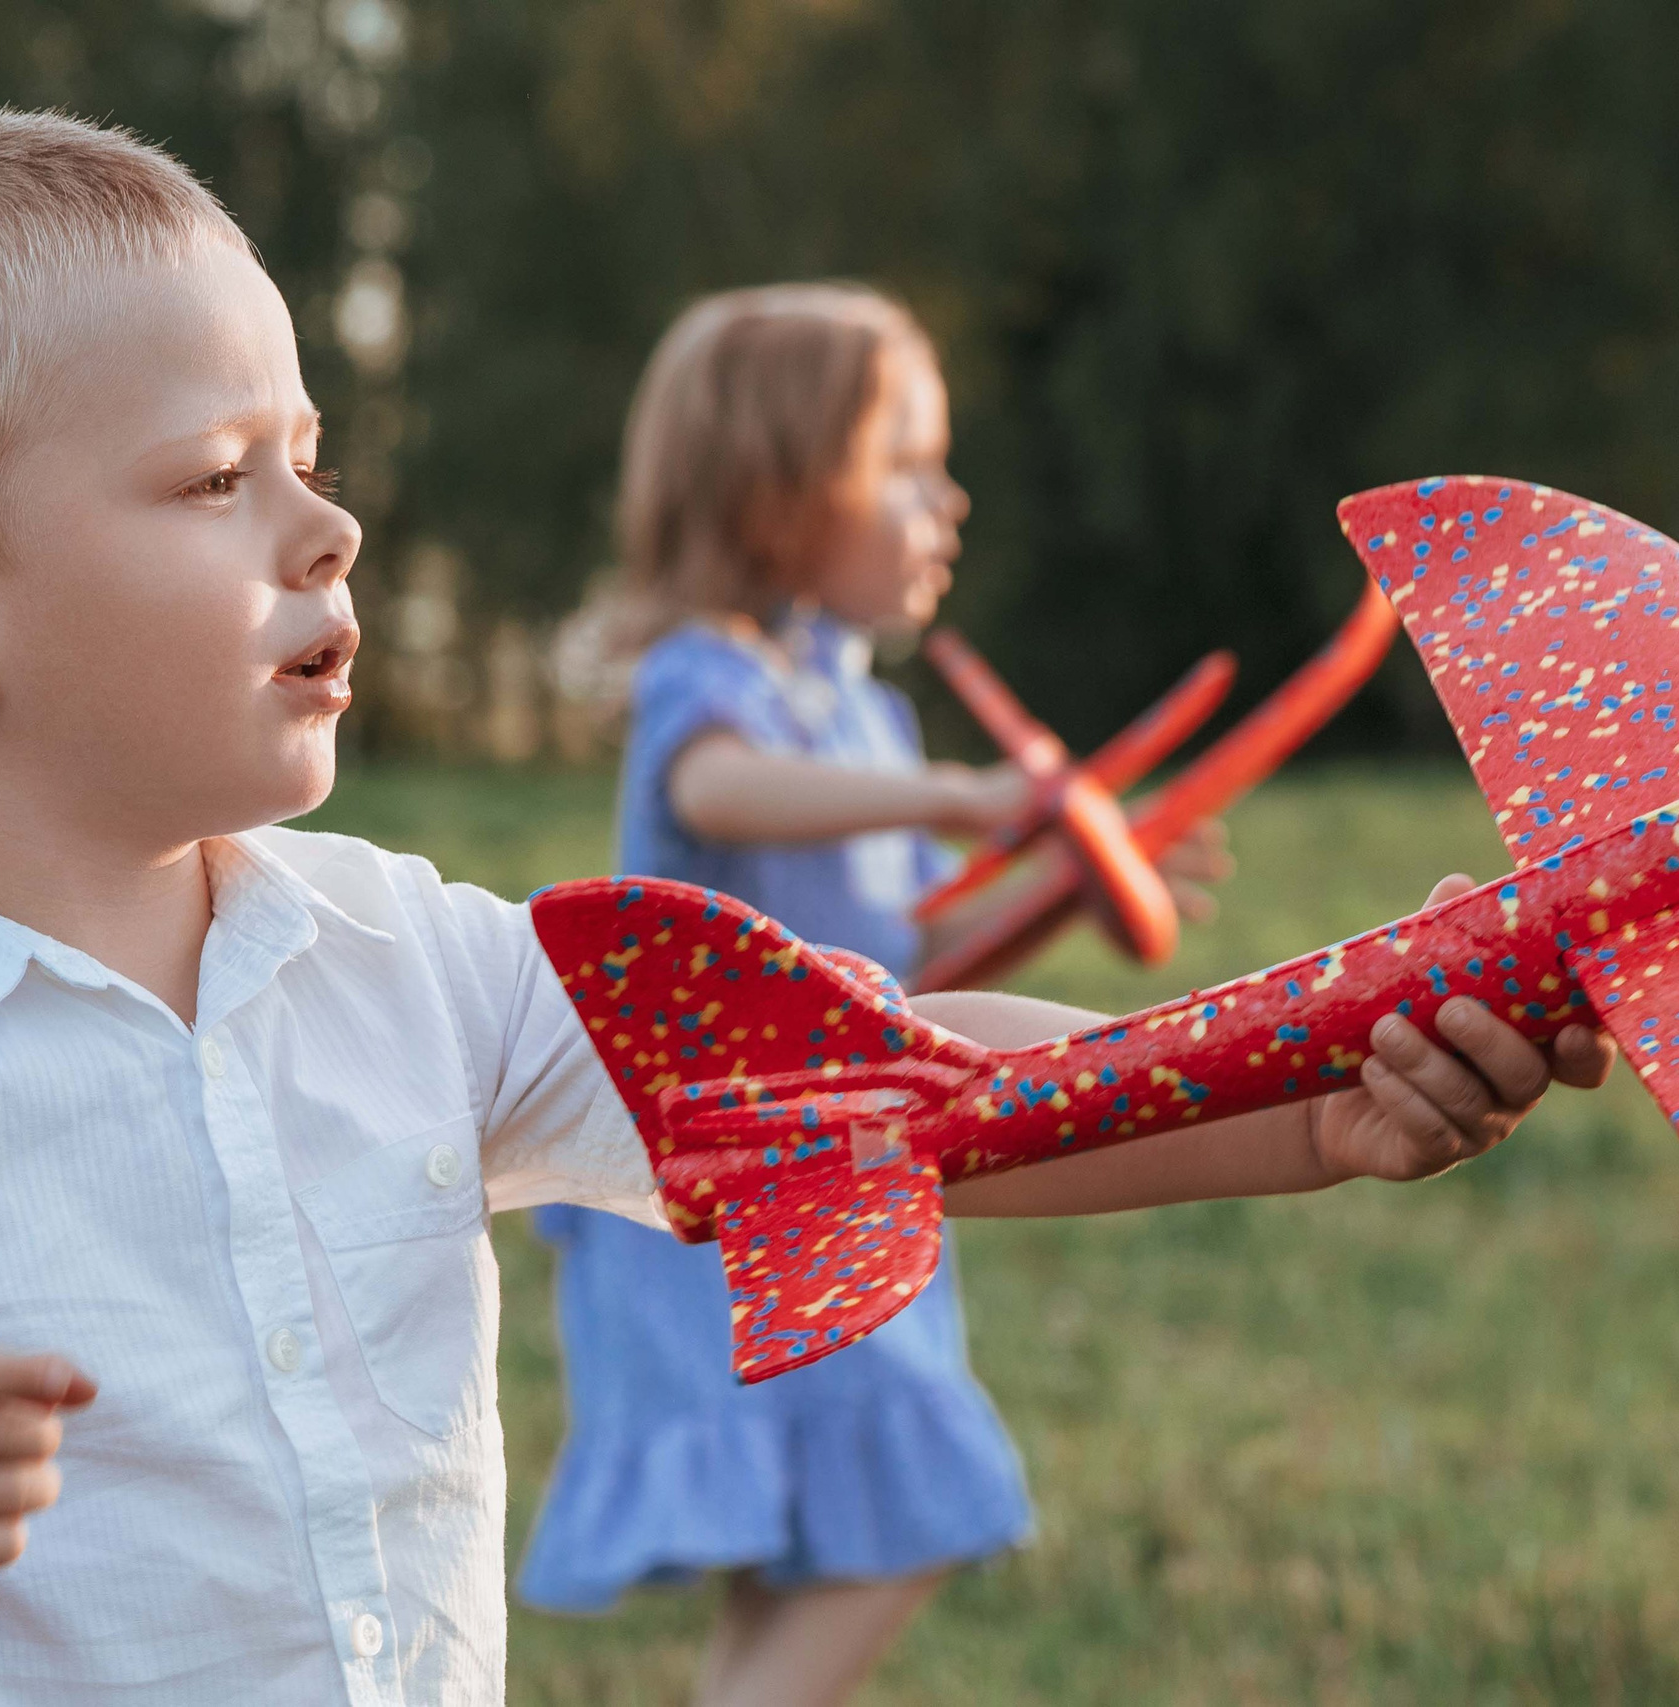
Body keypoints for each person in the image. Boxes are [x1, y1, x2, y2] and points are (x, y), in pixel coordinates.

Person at [0, 110, 1612, 1707]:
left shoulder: (409, 959)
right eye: (216, 474)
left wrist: (1305, 1085)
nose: (324, 524)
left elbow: (877, 1088)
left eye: (307, 451)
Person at [515, 284, 1233, 1706]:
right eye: (906, 465)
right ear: (780, 494)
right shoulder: (707, 682)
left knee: (805, 1566)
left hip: (855, 1175)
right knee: (904, 1517)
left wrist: (1067, 885)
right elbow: (718, 790)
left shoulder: (865, 707)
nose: (948, 502)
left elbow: (913, 976)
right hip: (722, 1198)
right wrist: (961, 796)